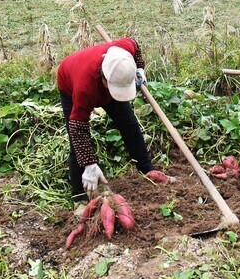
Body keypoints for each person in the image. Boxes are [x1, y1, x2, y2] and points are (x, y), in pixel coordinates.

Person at [57, 37, 166, 203]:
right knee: (76, 143)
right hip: (68, 78)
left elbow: (135, 43)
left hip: (114, 79)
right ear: (103, 78)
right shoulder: (84, 88)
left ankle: (147, 170)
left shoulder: (123, 50)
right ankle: (79, 195)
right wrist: (89, 164)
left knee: (129, 124)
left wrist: (140, 68)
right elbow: (78, 128)